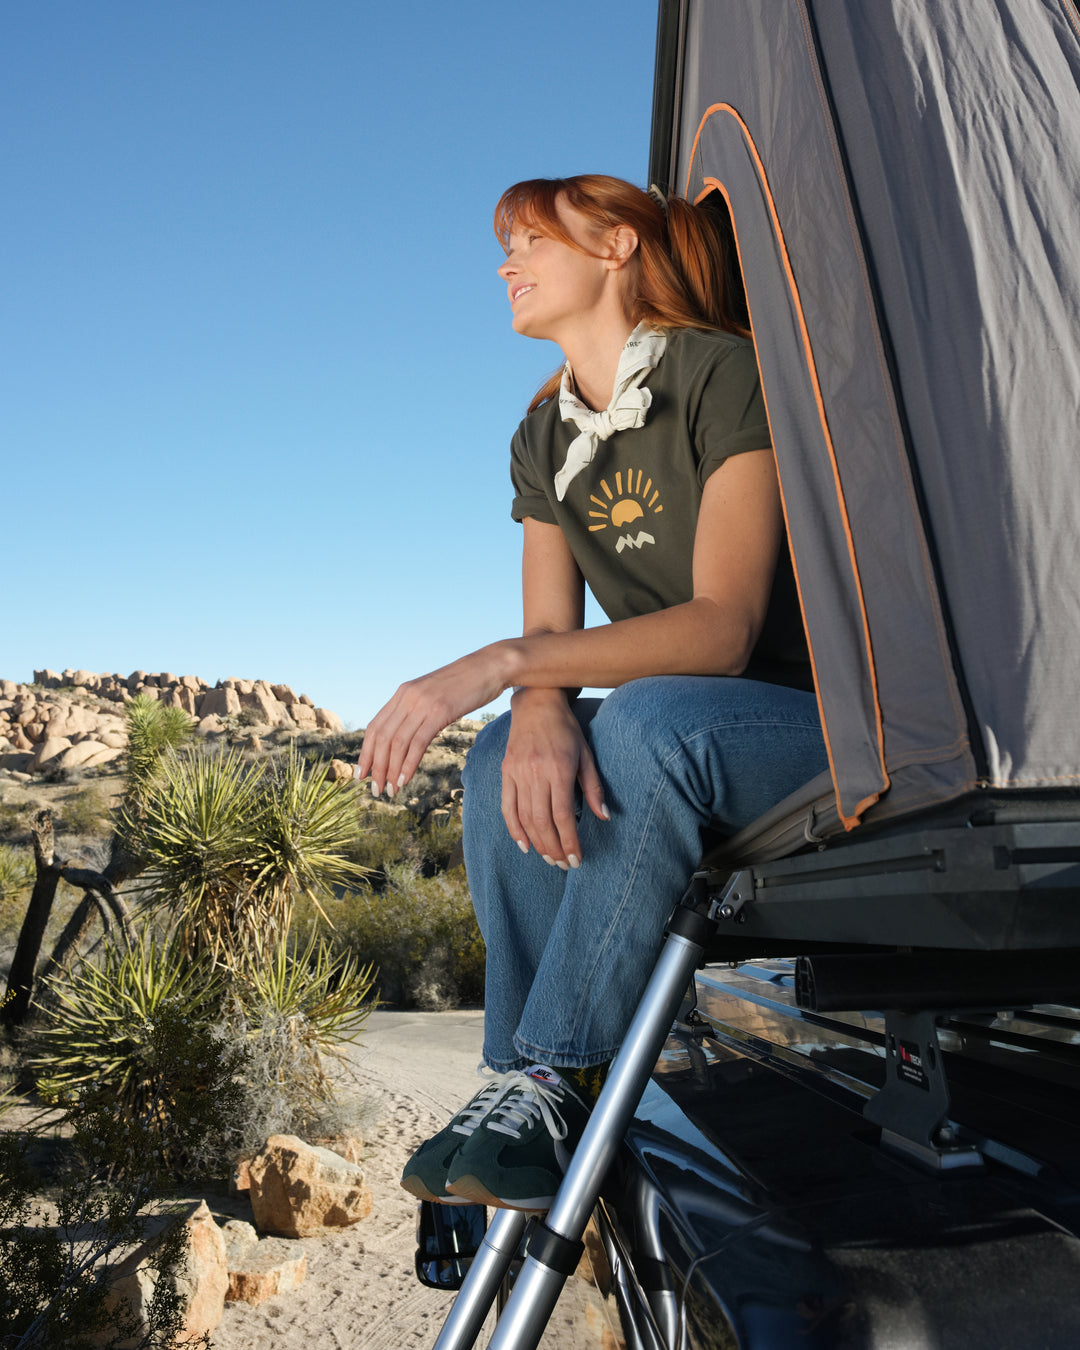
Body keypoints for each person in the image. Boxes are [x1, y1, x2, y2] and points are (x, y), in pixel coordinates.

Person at [357, 174, 827, 1212]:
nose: (506, 264)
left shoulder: (724, 373)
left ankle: (560, 1064)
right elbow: (549, 640)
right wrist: (531, 706)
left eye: (531, 239)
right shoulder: (542, 438)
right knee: (500, 755)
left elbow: (724, 629)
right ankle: (524, 1087)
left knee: (647, 719)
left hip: (804, 730)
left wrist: (501, 670)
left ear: (616, 246)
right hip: (672, 728)